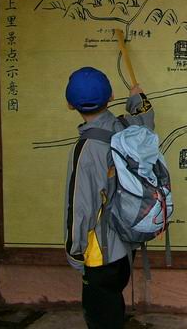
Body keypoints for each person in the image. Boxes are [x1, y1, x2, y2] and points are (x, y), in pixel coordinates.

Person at [64, 66, 154, 329]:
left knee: (101, 314)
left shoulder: (86, 149)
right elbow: (146, 121)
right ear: (111, 96)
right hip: (127, 238)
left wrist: (74, 251)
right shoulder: (127, 128)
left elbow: (80, 206)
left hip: (99, 250)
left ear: (70, 105)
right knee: (113, 300)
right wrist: (137, 97)